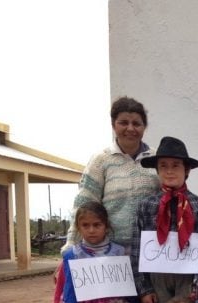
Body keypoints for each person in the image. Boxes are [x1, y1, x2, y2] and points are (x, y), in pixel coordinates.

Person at [130, 136, 198, 303]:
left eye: (176, 165)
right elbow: (136, 251)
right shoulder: (146, 205)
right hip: (156, 277)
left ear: (186, 170)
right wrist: (144, 289)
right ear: (157, 170)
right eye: (164, 166)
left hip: (190, 277)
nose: (170, 171)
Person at [65, 96, 159, 255]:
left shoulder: (157, 158)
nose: (130, 128)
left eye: (136, 123)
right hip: (110, 253)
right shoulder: (100, 161)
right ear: (113, 125)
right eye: (123, 123)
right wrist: (70, 246)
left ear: (144, 127)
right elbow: (83, 204)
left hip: (152, 252)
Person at [53, 201, 126, 303]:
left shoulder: (118, 253)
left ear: (106, 226)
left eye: (97, 225)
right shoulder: (72, 255)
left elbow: (126, 288)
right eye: (86, 225)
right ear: (78, 228)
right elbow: (62, 286)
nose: (91, 230)